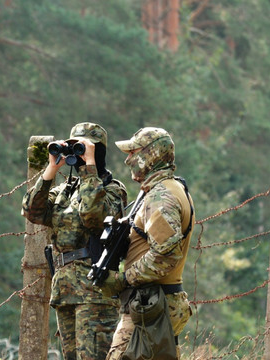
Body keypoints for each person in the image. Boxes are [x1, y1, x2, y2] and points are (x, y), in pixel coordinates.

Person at [22, 122, 127, 360]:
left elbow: (94, 217)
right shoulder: (65, 191)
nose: (77, 154)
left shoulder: (112, 189)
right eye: (73, 147)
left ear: (99, 152)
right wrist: (51, 169)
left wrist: (90, 167)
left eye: (83, 148)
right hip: (65, 289)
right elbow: (32, 211)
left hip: (95, 292)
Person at [98, 127, 195, 360]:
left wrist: (123, 279)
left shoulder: (161, 197)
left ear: (151, 156)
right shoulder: (172, 188)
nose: (128, 159)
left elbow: (165, 256)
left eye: (134, 152)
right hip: (155, 303)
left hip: (152, 306)